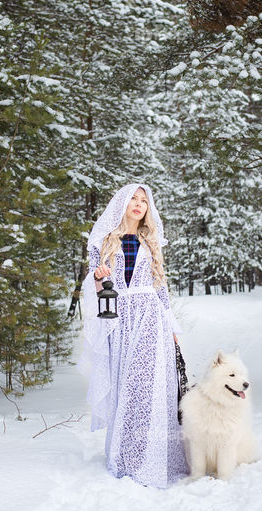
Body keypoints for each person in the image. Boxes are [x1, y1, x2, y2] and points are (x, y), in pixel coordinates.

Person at [78, 183, 188, 488]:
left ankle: (155, 458)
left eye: (144, 200)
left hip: (151, 319)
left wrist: (173, 327)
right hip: (119, 321)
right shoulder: (103, 241)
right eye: (133, 199)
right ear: (122, 203)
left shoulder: (151, 241)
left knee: (149, 387)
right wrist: (101, 280)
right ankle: (128, 458)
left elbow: (160, 287)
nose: (139, 204)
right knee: (124, 386)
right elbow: (100, 291)